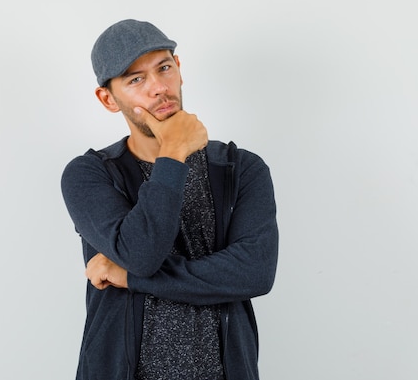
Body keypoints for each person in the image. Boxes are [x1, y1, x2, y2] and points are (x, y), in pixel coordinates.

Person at [60, 19, 279, 380]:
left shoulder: (241, 168)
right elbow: (141, 254)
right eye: (136, 79)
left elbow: (254, 273)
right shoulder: (90, 174)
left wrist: (130, 278)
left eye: (164, 68)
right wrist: (174, 151)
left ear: (179, 69)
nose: (159, 88)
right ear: (108, 99)